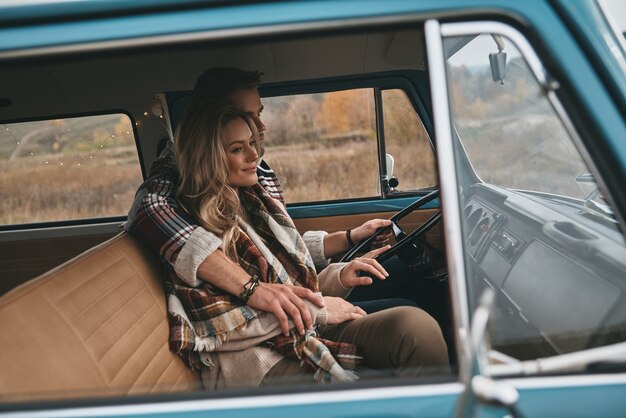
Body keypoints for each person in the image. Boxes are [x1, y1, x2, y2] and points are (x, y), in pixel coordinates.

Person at [167, 99, 448, 388]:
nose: (254, 154)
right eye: (237, 149)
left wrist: (339, 275)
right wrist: (319, 309)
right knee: (388, 361)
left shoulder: (253, 204)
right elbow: (220, 327)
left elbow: (287, 281)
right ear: (208, 158)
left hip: (301, 327)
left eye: (251, 143)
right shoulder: (190, 230)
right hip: (256, 359)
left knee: (414, 327)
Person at [125, 67, 417, 336]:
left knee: (401, 276)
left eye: (258, 113)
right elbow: (149, 212)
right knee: (409, 312)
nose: (259, 127)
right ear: (213, 117)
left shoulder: (256, 170)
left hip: (296, 292)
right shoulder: (174, 184)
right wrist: (255, 290)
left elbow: (281, 249)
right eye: (246, 116)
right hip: (277, 319)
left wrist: (350, 238)